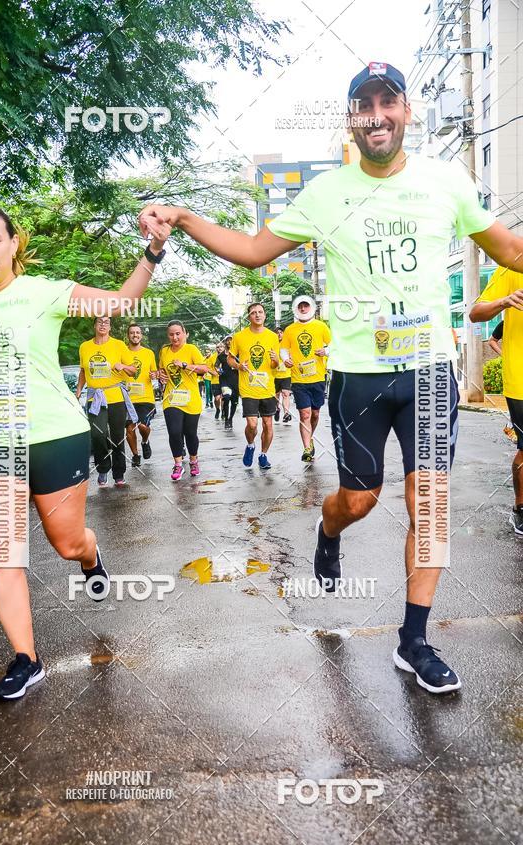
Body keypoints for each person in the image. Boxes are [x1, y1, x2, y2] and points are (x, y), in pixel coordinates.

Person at [139, 61, 523, 694]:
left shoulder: (446, 181)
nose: (377, 113)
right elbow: (251, 249)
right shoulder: (325, 195)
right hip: (359, 378)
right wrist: (182, 217)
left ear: (406, 111)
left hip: (429, 371)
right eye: (364, 103)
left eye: (388, 100)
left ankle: (414, 640)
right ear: (352, 117)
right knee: (360, 499)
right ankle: (328, 530)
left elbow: (509, 250)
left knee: (429, 505)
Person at [0, 203, 168, 700]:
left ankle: (90, 553)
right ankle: (27, 659)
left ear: (14, 243)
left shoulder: (46, 292)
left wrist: (154, 250)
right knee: (3, 549)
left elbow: (121, 302)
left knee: (66, 542)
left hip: (56, 434)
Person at [470, 271, 523, 537]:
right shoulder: (509, 267)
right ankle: (521, 508)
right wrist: (504, 301)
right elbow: (475, 313)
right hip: (521, 379)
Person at [77, 317, 136, 487]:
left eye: (106, 322)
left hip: (116, 397)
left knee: (117, 437)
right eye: (100, 322)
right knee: (97, 434)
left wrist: (123, 367)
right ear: (94, 325)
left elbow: (133, 371)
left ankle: (119, 473)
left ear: (110, 327)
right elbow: (83, 371)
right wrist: (79, 389)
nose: (103, 325)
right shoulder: (85, 347)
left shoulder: (118, 345)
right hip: (94, 398)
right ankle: (103, 468)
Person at [228, 303, 279, 470]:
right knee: (252, 424)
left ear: (265, 315)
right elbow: (230, 359)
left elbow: (274, 366)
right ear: (248, 317)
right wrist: (238, 366)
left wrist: (275, 359)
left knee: (268, 424)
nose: (257, 315)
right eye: (253, 313)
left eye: (260, 312)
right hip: (248, 387)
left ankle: (263, 455)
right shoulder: (239, 337)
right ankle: (250, 445)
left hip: (267, 387)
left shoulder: (272, 337)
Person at [280, 299, 331, 462]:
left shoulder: (321, 326)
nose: (303, 308)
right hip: (298, 378)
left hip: (317, 377)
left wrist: (325, 351)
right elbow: (283, 349)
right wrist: (286, 359)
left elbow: (334, 345)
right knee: (305, 413)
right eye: (300, 306)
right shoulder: (290, 329)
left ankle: (310, 439)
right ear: (296, 309)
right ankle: (307, 448)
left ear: (311, 308)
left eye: (306, 306)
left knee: (315, 413)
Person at [158, 320, 208, 480]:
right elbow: (161, 371)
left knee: (190, 433)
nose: (175, 337)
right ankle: (178, 464)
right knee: (174, 432)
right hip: (171, 398)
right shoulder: (164, 351)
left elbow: (204, 369)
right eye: (171, 334)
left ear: (185, 333)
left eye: (178, 334)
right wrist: (161, 376)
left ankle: (193, 461)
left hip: (190, 399)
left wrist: (185, 365)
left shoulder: (191, 349)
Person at [124, 323, 158, 466]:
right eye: (132, 333)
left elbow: (155, 373)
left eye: (138, 332)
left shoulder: (148, 353)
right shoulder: (122, 352)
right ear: (128, 335)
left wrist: (153, 375)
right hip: (127, 397)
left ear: (141, 335)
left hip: (145, 397)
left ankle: (145, 441)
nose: (135, 335)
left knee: (143, 426)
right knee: (130, 429)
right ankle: (136, 455)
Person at [218, 335, 240, 429]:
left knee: (234, 402)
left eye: (231, 340)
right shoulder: (221, 355)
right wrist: (219, 370)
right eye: (227, 340)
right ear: (225, 342)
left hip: (236, 381)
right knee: (226, 398)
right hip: (225, 380)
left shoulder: (238, 354)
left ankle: (230, 418)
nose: (229, 342)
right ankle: (226, 419)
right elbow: (216, 365)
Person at [274, 326, 292, 423]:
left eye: (281, 332)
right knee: (276, 395)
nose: (279, 334)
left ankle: (286, 413)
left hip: (286, 374)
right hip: (275, 375)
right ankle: (277, 409)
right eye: (277, 332)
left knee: (286, 394)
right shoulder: (272, 345)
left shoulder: (288, 345)